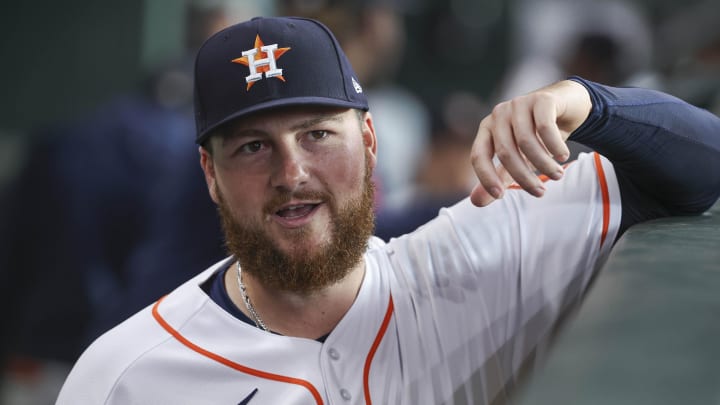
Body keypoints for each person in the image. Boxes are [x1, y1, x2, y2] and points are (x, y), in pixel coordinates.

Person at [55, 16, 720, 405]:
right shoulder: (124, 376)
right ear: (210, 175)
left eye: (319, 134)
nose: (293, 174)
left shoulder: (475, 255)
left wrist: (586, 104)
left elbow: (701, 167)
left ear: (370, 143)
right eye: (254, 147)